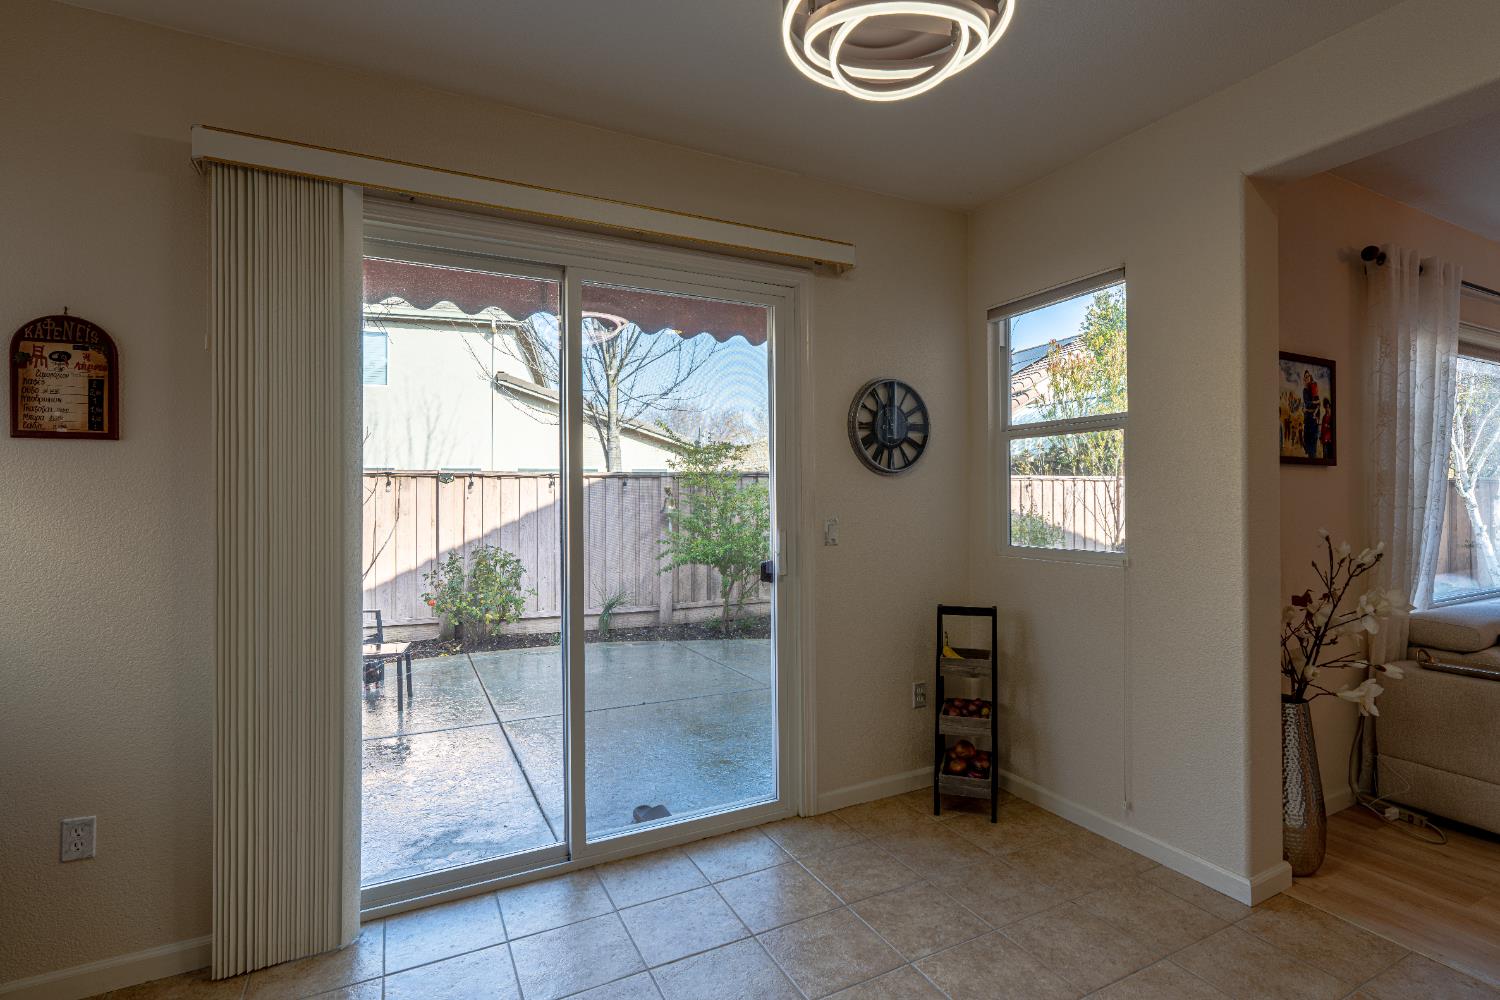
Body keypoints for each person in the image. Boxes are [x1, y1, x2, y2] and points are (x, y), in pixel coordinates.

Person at [1302, 370, 1321, 458]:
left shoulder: (1314, 388)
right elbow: (1308, 403)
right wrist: (1313, 404)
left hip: (1313, 420)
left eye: (1308, 376)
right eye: (1305, 377)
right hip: (1308, 419)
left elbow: (1318, 403)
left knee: (1313, 445)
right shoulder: (1305, 390)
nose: (1307, 378)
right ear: (1304, 379)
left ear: (1310, 377)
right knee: (1307, 441)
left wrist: (1313, 406)